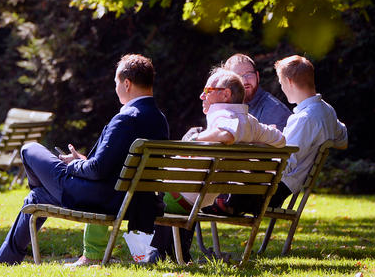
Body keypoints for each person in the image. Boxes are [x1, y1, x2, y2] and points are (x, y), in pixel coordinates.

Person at [0, 54, 170, 266]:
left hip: (99, 198)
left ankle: (8, 256)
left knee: (29, 149)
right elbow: (110, 165)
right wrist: (84, 160)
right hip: (132, 201)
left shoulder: (126, 118)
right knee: (37, 196)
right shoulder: (159, 120)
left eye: (116, 83)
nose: (115, 88)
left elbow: (97, 171)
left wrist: (74, 164)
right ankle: (5, 261)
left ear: (126, 83)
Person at [142, 68, 286, 263]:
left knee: (155, 189)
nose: (202, 95)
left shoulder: (223, 115)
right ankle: (177, 254)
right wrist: (252, 144)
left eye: (208, 90)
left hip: (182, 194)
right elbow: (281, 140)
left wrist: (194, 139)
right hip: (204, 195)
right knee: (177, 193)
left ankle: (160, 253)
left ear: (226, 94)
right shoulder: (251, 123)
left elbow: (226, 135)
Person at [205, 54, 347, 217]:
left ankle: (226, 205)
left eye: (281, 83)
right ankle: (226, 204)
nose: (281, 88)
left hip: (273, 190)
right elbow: (343, 140)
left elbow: (285, 164)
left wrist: (263, 145)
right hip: (285, 186)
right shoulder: (327, 110)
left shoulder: (303, 119)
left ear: (289, 82)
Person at [222, 53, 292, 130]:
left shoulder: (274, 110)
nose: (244, 81)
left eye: (248, 74)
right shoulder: (224, 108)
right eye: (237, 77)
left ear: (257, 77)